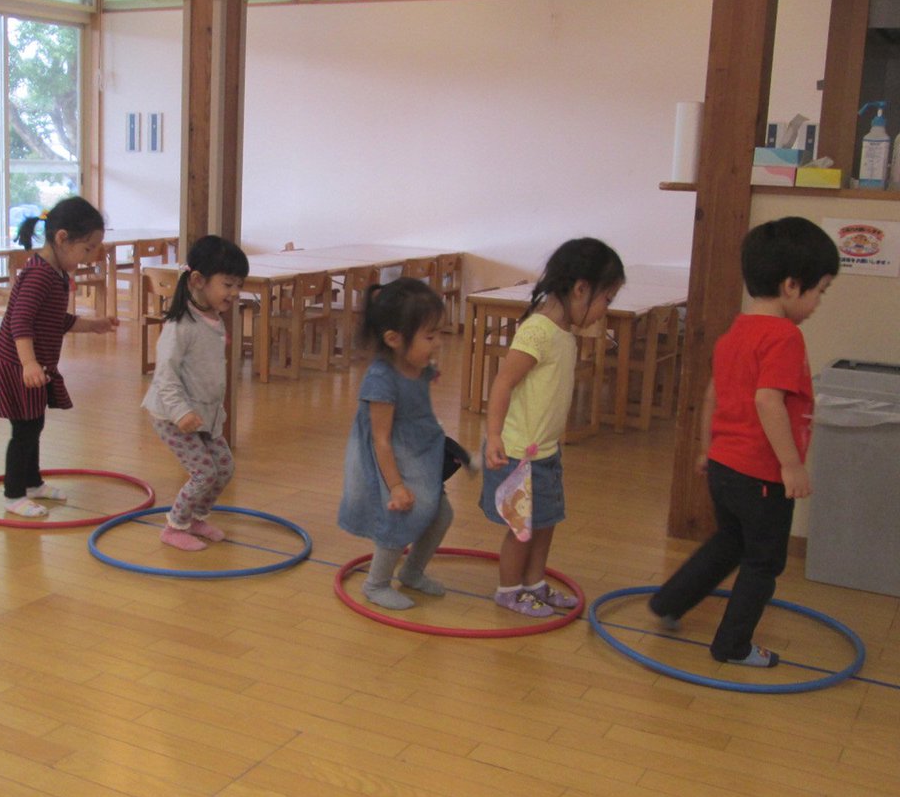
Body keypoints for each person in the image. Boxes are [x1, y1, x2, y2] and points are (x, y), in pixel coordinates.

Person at [650, 217, 838, 667]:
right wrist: (791, 466)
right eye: (820, 291)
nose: (818, 303)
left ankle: (670, 602)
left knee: (729, 542)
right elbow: (768, 401)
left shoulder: (737, 331)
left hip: (723, 467)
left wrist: (705, 448)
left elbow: (712, 394)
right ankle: (732, 645)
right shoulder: (784, 337)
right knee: (762, 562)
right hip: (761, 475)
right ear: (792, 286)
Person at [479, 238, 625, 617]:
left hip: (545, 452)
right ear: (580, 288)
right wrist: (494, 435)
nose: (604, 310)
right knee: (521, 528)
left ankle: (534, 584)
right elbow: (503, 383)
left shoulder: (565, 334)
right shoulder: (537, 331)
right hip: (517, 454)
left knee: (545, 523)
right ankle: (509, 590)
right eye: (605, 299)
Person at [0, 196, 118, 517]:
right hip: (17, 366)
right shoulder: (38, 275)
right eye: (87, 249)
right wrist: (28, 364)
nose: (90, 257)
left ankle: (32, 483)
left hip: (33, 366)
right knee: (24, 431)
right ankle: (14, 495)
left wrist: (93, 325)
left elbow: (55, 320)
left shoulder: (55, 273)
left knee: (33, 425)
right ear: (62, 238)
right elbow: (20, 323)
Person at [338, 277, 456, 610]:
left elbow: (419, 386)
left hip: (418, 453)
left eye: (439, 335)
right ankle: (375, 584)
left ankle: (413, 572)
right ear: (393, 339)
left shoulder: (415, 366)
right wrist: (396, 487)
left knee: (441, 514)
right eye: (430, 337)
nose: (437, 344)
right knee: (399, 519)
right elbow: (380, 439)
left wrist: (429, 372)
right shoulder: (381, 379)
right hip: (392, 461)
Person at [142, 235, 249, 550]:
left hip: (204, 413)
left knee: (225, 468)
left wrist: (213, 413)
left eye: (238, 285)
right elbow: (165, 375)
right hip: (171, 414)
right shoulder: (180, 326)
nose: (235, 292)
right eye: (228, 284)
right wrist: (181, 413)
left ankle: (196, 518)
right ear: (199, 281)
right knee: (203, 472)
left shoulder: (213, 318)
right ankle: (174, 527)